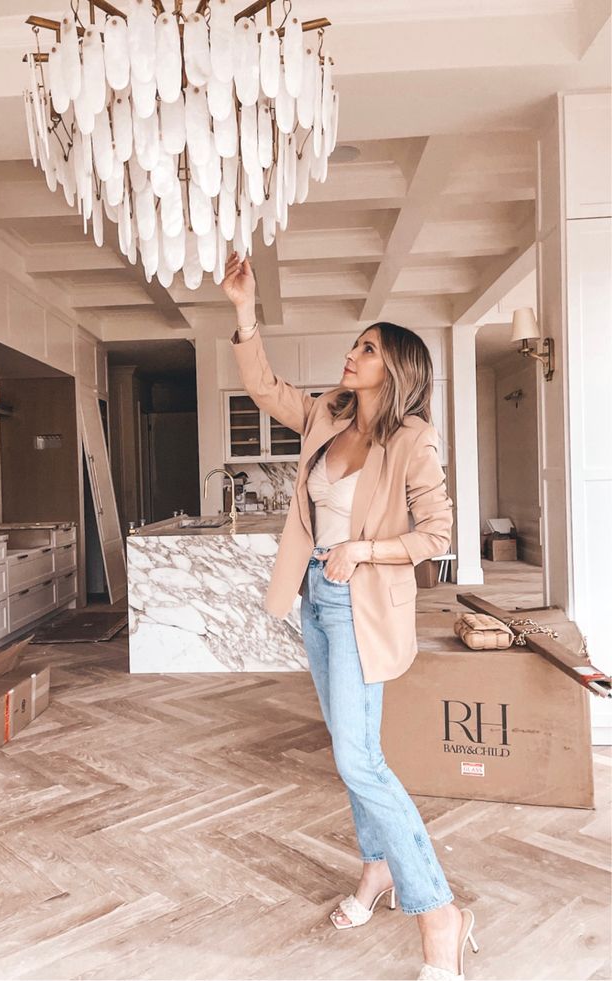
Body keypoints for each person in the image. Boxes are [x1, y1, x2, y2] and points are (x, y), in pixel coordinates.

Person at [221, 251, 479, 981]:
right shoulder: (328, 415)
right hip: (315, 598)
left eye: (367, 348)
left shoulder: (413, 440)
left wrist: (363, 548)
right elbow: (264, 386)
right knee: (348, 746)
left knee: (359, 759)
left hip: (361, 605)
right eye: (356, 344)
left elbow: (437, 536)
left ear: (394, 368)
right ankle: (377, 870)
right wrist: (245, 311)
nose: (352, 352)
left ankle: (438, 913)